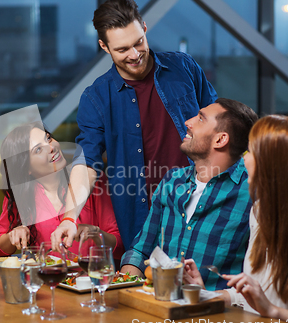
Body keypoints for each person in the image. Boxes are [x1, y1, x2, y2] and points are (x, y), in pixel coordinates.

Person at [51, 0, 218, 252]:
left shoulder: (184, 68)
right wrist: (69, 216)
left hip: (200, 204)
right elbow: (87, 163)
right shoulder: (96, 97)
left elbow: (219, 123)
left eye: (138, 42)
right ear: (104, 47)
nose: (134, 54)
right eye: (122, 49)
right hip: (141, 218)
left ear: (145, 27)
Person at [185, 116, 288, 323]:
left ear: (273, 166)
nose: (244, 160)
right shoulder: (260, 212)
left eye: (251, 152)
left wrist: (274, 312)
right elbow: (259, 295)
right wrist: (206, 296)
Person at [120, 98, 258, 291]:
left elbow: (261, 276)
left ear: (220, 139)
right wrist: (124, 287)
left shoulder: (254, 192)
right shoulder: (172, 181)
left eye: (200, 119)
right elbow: (140, 250)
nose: (188, 122)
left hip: (217, 314)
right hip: (160, 307)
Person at [0, 122, 124, 260]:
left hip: (91, 278)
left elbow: (120, 247)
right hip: (45, 278)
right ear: (26, 168)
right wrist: (12, 236)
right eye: (38, 150)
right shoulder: (20, 196)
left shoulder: (90, 182)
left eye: (48, 139)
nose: (51, 148)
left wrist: (96, 233)